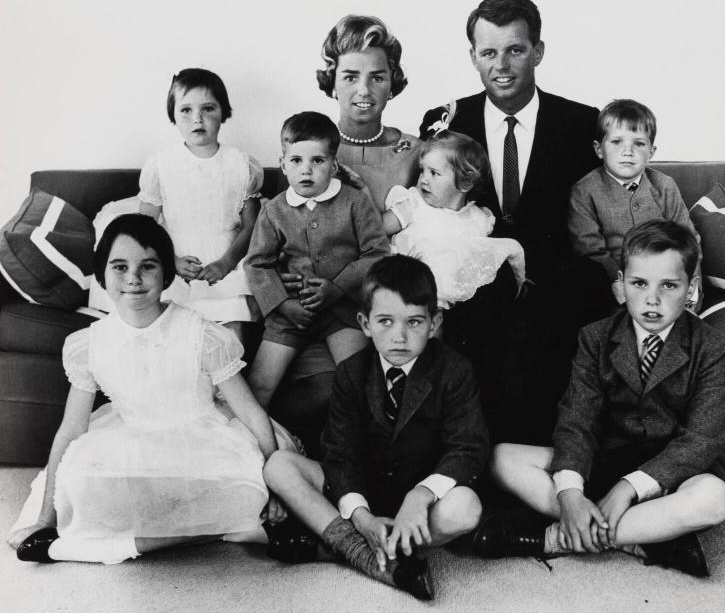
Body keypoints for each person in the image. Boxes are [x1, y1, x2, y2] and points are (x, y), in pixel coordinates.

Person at [8, 214, 296, 564]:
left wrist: (277, 487)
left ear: (166, 274)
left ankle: (123, 540)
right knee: (79, 485)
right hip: (131, 437)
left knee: (247, 487)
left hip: (204, 438)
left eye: (148, 266)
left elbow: (249, 411)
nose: (133, 278)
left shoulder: (201, 333)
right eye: (119, 267)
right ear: (102, 275)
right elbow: (71, 429)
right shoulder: (90, 344)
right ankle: (199, 531)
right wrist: (44, 518)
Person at [477, 220, 725, 577]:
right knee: (503, 459)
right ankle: (641, 536)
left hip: (672, 474)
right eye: (639, 283)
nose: (652, 299)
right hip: (607, 460)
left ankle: (555, 538)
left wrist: (629, 489)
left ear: (690, 288)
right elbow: (577, 418)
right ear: (620, 284)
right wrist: (569, 494)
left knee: (715, 499)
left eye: (669, 286)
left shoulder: (712, 347)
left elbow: (703, 439)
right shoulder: (595, 338)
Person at [419, 0, 603, 443]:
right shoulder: (447, 120)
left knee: (565, 316)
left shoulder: (582, 124)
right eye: (488, 52)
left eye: (515, 50)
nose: (501, 65)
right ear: (473, 57)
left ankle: (552, 458)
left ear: (537, 51)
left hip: (553, 276)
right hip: (474, 280)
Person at [262, 255, 489, 601]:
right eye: (385, 321)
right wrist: (362, 516)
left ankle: (338, 548)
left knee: (466, 507)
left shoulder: (454, 370)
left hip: (420, 503)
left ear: (434, 322)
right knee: (279, 465)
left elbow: (468, 448)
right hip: (363, 495)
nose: (399, 337)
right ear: (364, 324)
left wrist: (420, 496)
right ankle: (364, 550)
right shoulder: (351, 372)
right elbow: (340, 455)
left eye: (414, 322)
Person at [245, 112, 389, 409]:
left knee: (356, 380)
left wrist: (336, 288)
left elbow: (377, 252)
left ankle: (361, 447)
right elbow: (257, 264)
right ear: (283, 164)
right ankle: (252, 448)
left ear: (334, 165)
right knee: (259, 384)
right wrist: (284, 305)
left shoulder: (354, 202)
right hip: (290, 312)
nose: (306, 170)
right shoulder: (273, 210)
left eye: (318, 161)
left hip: (342, 311)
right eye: (296, 160)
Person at [139, 68, 262, 341]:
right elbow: (145, 226)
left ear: (223, 112)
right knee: (174, 338)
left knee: (229, 341)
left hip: (226, 261)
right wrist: (171, 261)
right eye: (186, 110)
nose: (197, 119)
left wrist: (227, 262)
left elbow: (252, 225)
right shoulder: (161, 165)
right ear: (173, 115)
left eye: (208, 108)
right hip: (176, 262)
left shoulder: (241, 165)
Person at [568, 99, 701, 308]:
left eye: (639, 144)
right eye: (616, 142)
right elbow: (590, 249)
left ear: (652, 151)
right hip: (616, 289)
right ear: (599, 149)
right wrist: (620, 284)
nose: (627, 151)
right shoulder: (584, 190)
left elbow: (688, 239)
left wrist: (692, 287)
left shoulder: (664, 186)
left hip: (667, 281)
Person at [382, 131, 525, 309]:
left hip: (457, 301)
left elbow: (476, 261)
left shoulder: (478, 219)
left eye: (434, 173)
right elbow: (374, 229)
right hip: (409, 292)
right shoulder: (413, 204)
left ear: (465, 183)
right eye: (422, 170)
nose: (423, 179)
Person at [317, 14, 422, 213]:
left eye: (377, 78)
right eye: (350, 77)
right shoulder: (308, 149)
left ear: (392, 83)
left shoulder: (415, 153)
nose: (364, 90)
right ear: (332, 83)